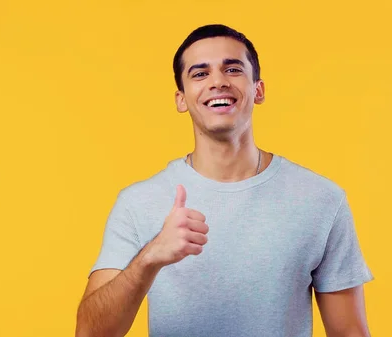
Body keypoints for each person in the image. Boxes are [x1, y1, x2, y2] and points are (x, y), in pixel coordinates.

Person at [75, 24, 374, 337]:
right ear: (181, 99)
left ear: (258, 90)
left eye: (232, 69)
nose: (217, 82)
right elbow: (90, 332)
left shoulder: (321, 199)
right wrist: (150, 257)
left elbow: (349, 332)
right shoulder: (138, 202)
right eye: (200, 73)